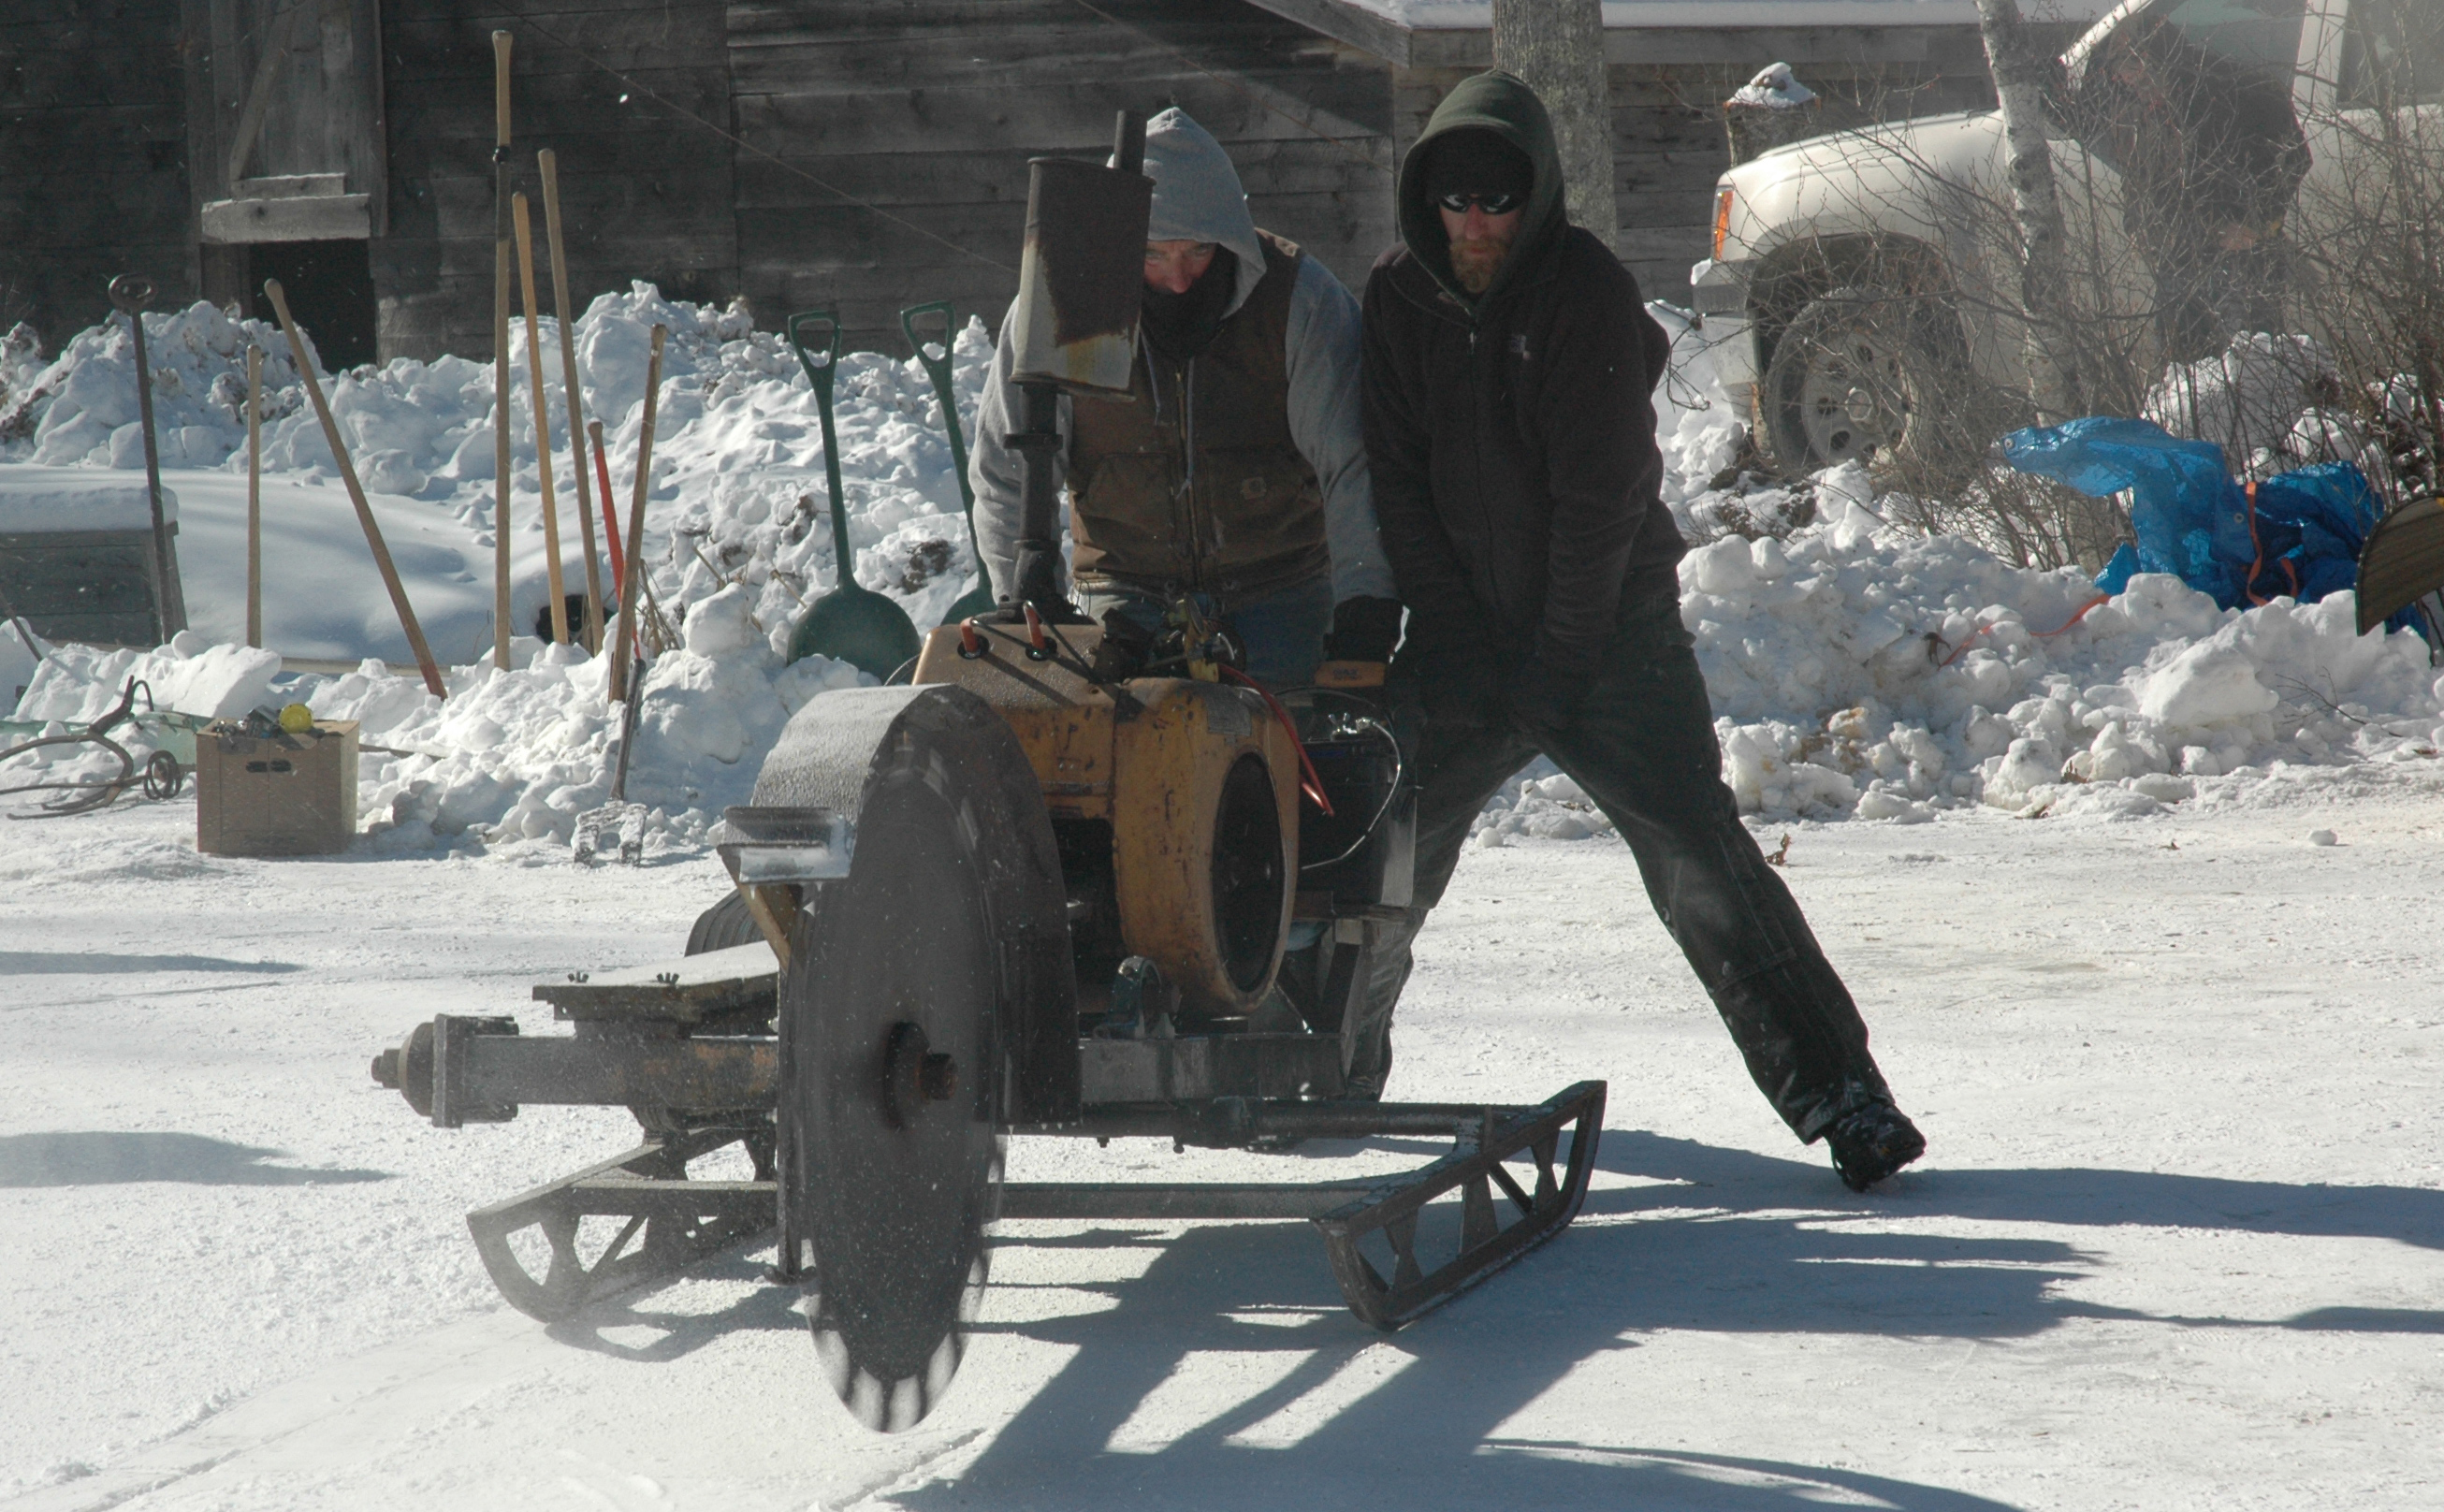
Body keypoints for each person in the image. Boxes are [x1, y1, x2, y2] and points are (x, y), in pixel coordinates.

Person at [1356, 71, 1925, 1191]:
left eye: (1496, 205)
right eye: (1453, 206)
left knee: (1694, 855)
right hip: (1470, 633)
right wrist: (1467, 640)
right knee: (1381, 852)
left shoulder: (1581, 294)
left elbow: (1599, 502)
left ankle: (1845, 1098)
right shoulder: (1396, 299)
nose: (1473, 228)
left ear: (1536, 198)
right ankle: (1323, 1074)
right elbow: (1397, 483)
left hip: (1606, 632)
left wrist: (1557, 664)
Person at [969, 108, 1401, 688]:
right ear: (1121, 246)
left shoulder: (1298, 302)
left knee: (1305, 764)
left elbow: (1353, 464)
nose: (1177, 279)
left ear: (1228, 238)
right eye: (1151, 255)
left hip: (1281, 592)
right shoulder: (1061, 305)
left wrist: (1364, 610)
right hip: (1121, 597)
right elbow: (1007, 472)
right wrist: (1022, 587)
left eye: (1197, 252)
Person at [2081, 20, 2312, 362]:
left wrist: (2258, 222)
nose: (2126, 78)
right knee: (2189, 388)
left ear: (2157, 56)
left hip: (2241, 267)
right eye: (2121, 69)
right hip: (2180, 271)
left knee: (2255, 376)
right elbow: (2141, 193)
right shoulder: (2149, 113)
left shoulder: (2234, 94)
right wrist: (2142, 229)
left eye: (2132, 64)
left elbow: (2294, 157)